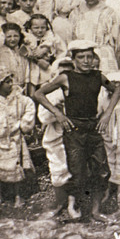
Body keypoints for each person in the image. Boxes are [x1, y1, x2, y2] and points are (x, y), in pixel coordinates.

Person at [33, 40, 120, 221]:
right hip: (73, 128)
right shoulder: (65, 77)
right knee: (77, 170)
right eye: (81, 57)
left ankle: (96, 211)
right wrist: (58, 114)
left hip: (93, 127)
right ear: (74, 59)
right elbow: (38, 94)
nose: (86, 61)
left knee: (102, 170)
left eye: (90, 57)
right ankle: (73, 206)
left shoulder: (98, 76)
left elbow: (117, 89)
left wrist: (106, 115)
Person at [37, 57, 76, 217]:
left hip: (74, 134)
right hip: (55, 136)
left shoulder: (77, 87)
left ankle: (73, 205)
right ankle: (61, 203)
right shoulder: (50, 92)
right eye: (62, 70)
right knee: (57, 170)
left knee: (74, 169)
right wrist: (55, 112)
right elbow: (42, 117)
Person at [0, 68, 35, 208]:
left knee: (16, 167)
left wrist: (24, 124)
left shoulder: (18, 99)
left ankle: (18, 196)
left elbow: (29, 106)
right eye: (7, 82)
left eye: (11, 81)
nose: (11, 84)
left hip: (14, 138)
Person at [69, 0, 120, 74]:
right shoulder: (76, 13)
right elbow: (71, 37)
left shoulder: (109, 13)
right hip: (82, 56)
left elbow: (119, 41)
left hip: (104, 55)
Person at [98, 72, 120, 205]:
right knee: (109, 160)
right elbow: (98, 114)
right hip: (108, 135)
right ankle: (108, 190)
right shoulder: (103, 100)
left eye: (116, 84)